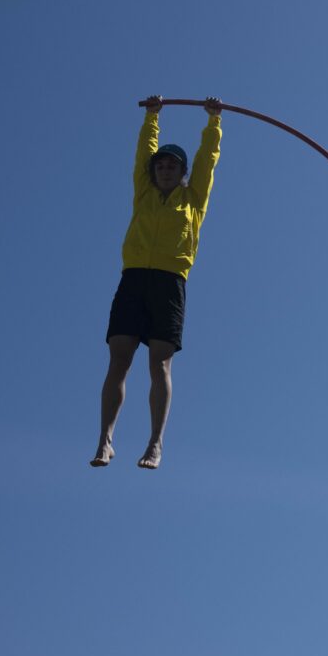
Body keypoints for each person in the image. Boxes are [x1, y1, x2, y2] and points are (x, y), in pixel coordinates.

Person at [92, 95, 223, 469]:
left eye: (172, 165)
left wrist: (213, 121)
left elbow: (207, 161)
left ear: (181, 171)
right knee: (118, 360)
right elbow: (143, 151)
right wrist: (153, 116)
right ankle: (105, 440)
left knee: (159, 363)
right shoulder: (144, 193)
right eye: (160, 164)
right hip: (133, 279)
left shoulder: (193, 198)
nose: (165, 168)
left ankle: (154, 443)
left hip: (169, 282)